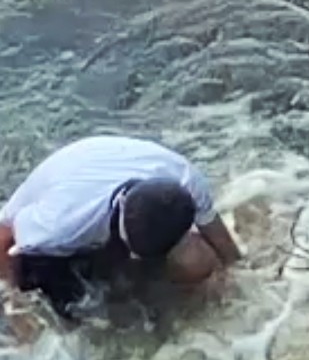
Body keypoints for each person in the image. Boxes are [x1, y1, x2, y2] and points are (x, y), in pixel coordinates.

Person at [0, 135, 242, 321]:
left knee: (195, 263)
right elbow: (4, 235)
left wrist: (241, 276)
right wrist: (16, 304)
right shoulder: (58, 226)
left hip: (102, 186)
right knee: (69, 318)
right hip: (56, 230)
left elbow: (220, 239)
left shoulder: (185, 179)